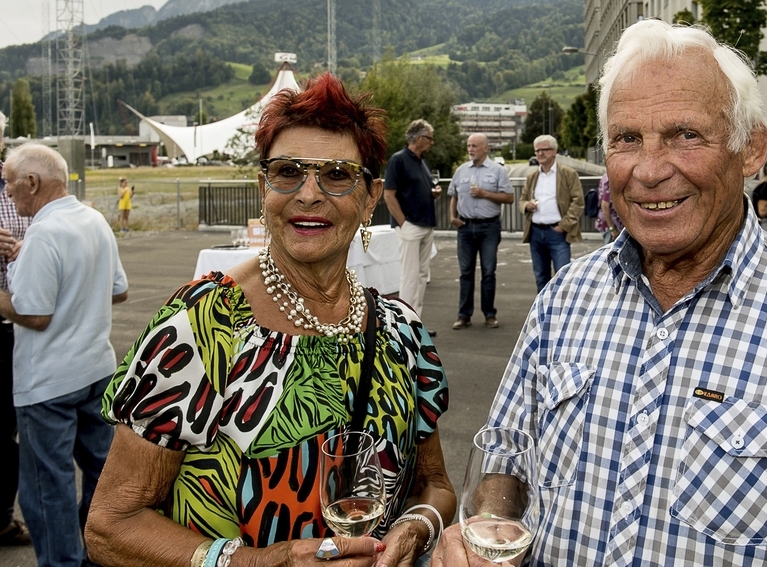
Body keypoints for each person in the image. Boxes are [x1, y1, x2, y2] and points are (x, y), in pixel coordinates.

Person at [432, 20, 767, 566]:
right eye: (626, 139)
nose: (648, 170)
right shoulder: (563, 301)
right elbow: (506, 455)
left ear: (751, 149)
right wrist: (490, 526)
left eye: (685, 135)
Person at [86, 74, 455, 567]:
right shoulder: (202, 325)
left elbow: (436, 484)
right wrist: (264, 562)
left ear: (370, 197)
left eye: (337, 175)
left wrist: (417, 527)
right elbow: (110, 527)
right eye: (288, 172)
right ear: (265, 188)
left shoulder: (400, 331)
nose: (308, 194)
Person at [0, 143, 129, 567]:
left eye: (10, 185)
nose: (9, 195)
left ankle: (62, 561)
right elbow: (119, 290)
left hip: (48, 381)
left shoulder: (42, 231)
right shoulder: (93, 219)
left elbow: (35, 315)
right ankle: (92, 554)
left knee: (46, 485)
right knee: (99, 473)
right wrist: (26, 261)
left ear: (32, 183)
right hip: (95, 368)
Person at [0, 125, 32, 548]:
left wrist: (27, 246)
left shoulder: (15, 177)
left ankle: (3, 517)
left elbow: (41, 225)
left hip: (12, 320)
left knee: (7, 428)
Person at [448, 134, 513, 330]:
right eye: (468, 145)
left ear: (485, 148)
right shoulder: (461, 170)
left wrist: (485, 194)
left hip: (489, 227)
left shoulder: (497, 170)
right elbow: (453, 195)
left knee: (488, 272)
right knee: (465, 273)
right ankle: (464, 315)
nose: (471, 149)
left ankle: (489, 314)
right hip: (465, 227)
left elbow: (509, 197)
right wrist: (452, 217)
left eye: (474, 145)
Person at [384, 119, 442, 324]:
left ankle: (416, 321)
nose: (431, 142)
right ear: (418, 138)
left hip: (425, 224)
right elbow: (389, 194)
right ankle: (404, 324)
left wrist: (433, 193)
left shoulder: (421, 161)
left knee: (421, 275)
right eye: (429, 138)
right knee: (409, 276)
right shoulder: (399, 160)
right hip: (411, 226)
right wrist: (404, 223)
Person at [519, 135, 584, 292]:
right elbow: (521, 201)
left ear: (554, 151)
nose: (540, 153)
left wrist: (564, 225)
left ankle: (562, 315)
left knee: (562, 277)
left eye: (544, 150)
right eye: (537, 151)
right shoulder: (532, 176)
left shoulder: (568, 173)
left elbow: (578, 201)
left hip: (557, 232)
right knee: (541, 277)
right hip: (535, 232)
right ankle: (543, 315)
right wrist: (527, 206)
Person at [595, 172, 622, 244]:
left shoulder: (607, 176)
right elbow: (605, 206)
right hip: (611, 224)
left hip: (613, 224)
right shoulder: (610, 178)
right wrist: (612, 228)